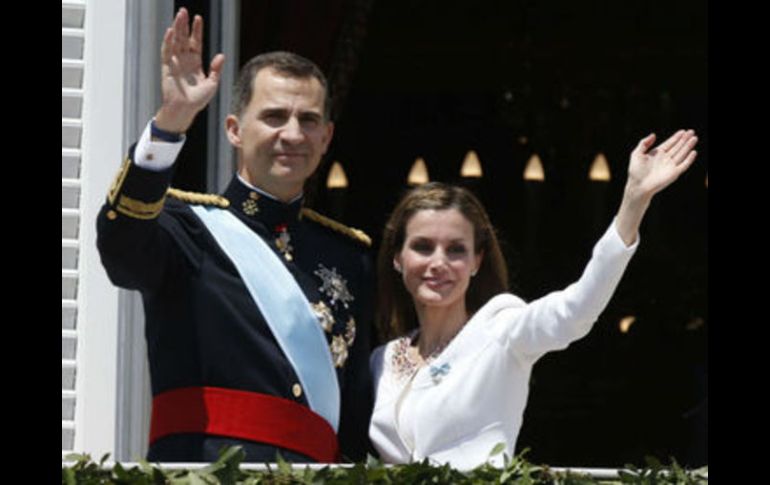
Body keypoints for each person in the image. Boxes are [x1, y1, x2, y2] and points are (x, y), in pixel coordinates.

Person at [96, 8, 374, 463]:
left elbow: (356, 410)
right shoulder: (183, 226)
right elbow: (121, 250)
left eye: (308, 120)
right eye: (274, 116)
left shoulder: (348, 255)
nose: (292, 133)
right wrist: (172, 121)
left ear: (326, 137)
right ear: (234, 130)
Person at [368, 130, 699, 469]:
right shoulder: (382, 359)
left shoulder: (501, 329)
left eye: (456, 250)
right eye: (423, 247)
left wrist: (634, 201)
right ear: (397, 257)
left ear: (476, 261)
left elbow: (576, 309)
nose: (438, 262)